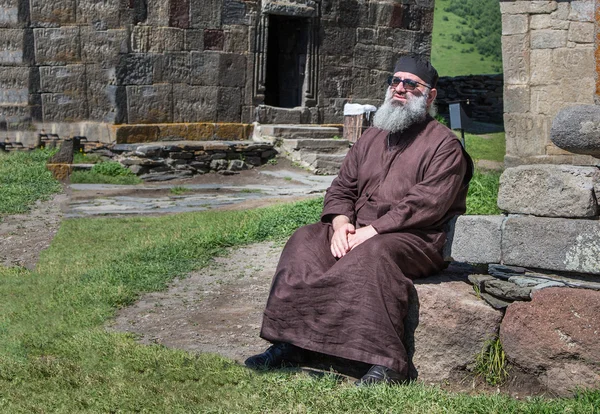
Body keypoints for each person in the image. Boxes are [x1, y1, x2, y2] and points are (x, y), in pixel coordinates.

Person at [245, 56, 473, 385]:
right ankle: (292, 343)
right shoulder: (372, 137)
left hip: (416, 239)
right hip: (358, 230)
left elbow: (426, 204)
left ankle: (387, 364)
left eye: (411, 84)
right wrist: (340, 224)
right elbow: (342, 187)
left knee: (373, 253)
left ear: (430, 96)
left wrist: (372, 231)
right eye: (395, 81)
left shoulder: (444, 145)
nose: (400, 89)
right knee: (305, 242)